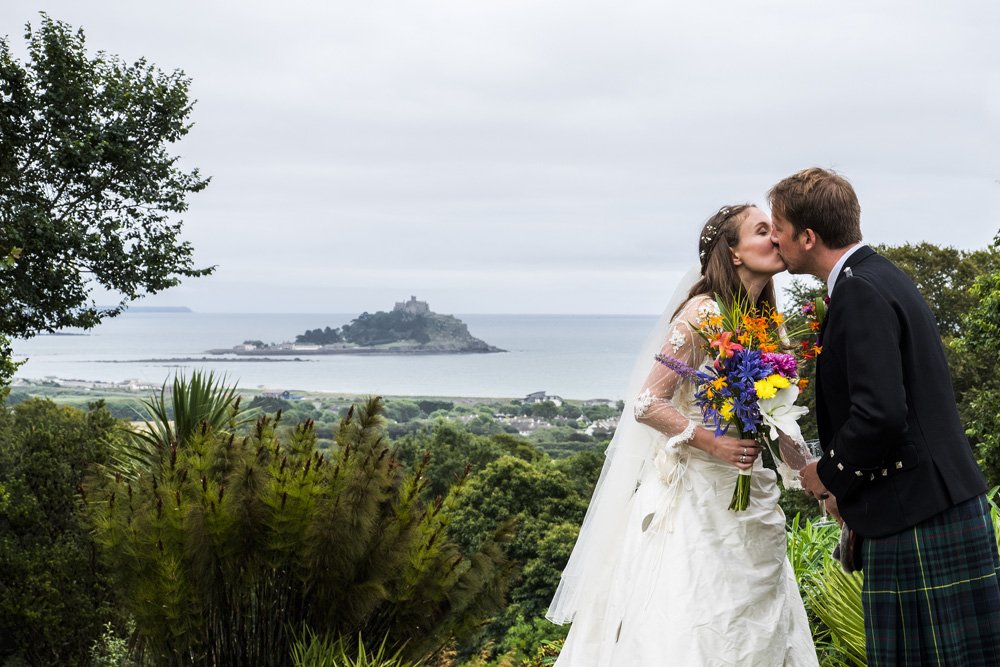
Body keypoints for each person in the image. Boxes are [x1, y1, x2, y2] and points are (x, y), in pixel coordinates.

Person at [547, 204, 818, 666]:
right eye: (762, 231)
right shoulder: (702, 313)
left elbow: (775, 417)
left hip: (750, 496)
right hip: (697, 500)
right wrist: (715, 443)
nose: (776, 238)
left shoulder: (768, 323)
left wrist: (810, 471)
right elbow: (647, 402)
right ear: (733, 253)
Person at [769, 167, 1000, 665]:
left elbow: (880, 415)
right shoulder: (879, 274)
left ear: (808, 237)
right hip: (936, 503)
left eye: (779, 228)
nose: (775, 239)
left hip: (917, 512)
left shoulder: (858, 292)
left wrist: (825, 476)